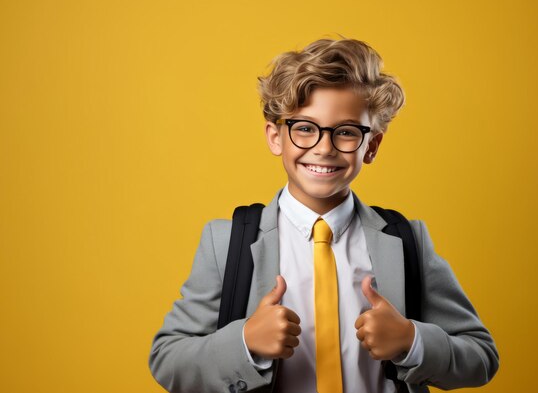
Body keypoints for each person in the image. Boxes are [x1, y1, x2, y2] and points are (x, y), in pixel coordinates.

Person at [149, 37, 499, 393]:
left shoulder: (406, 239)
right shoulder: (226, 242)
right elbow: (168, 358)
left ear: (371, 146)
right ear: (275, 137)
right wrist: (245, 343)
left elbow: (481, 356)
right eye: (304, 128)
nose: (324, 148)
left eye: (346, 132)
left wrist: (412, 340)